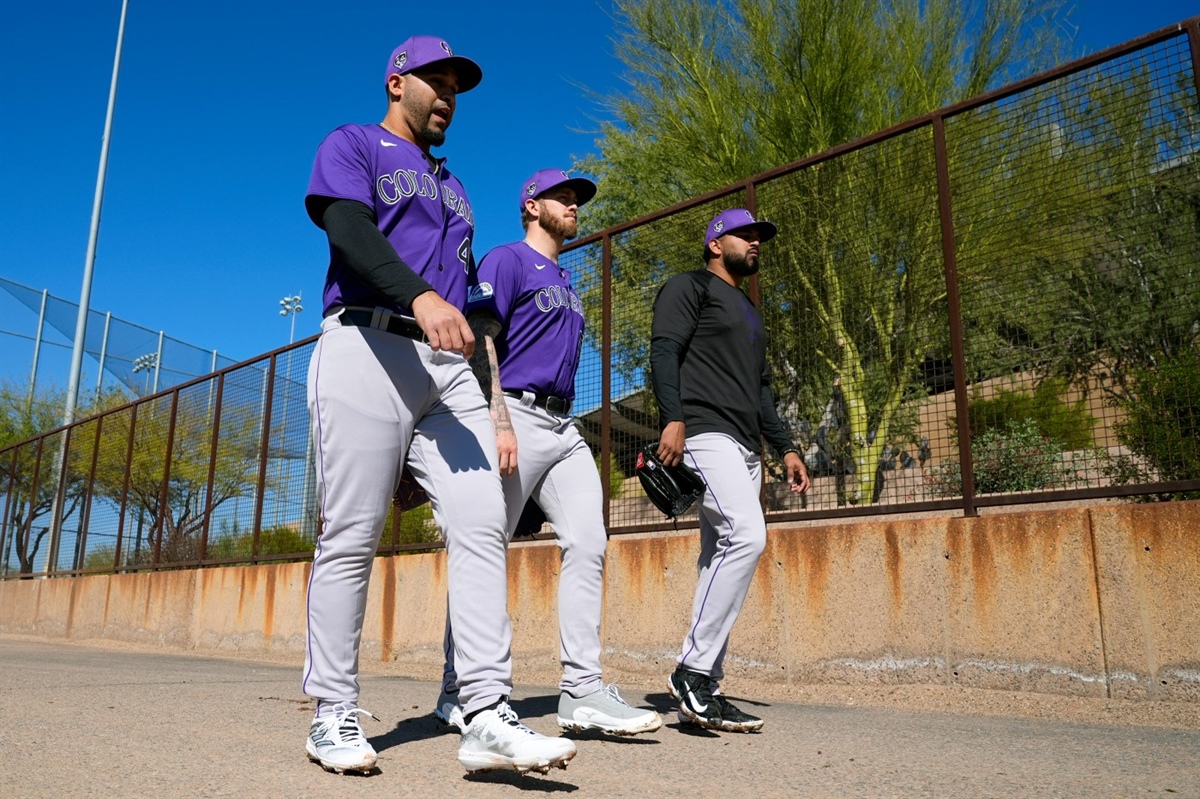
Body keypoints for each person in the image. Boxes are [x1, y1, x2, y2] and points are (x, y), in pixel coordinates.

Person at [301, 36, 576, 775]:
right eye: (437, 79)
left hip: (449, 370)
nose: (449, 94)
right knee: (352, 535)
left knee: (484, 524)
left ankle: (485, 709)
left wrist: (496, 406)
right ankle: (331, 712)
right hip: (367, 343)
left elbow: (476, 313)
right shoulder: (354, 142)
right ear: (398, 82)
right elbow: (348, 231)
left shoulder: (455, 191)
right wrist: (418, 295)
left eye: (458, 84)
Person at [434, 169, 662, 737]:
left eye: (578, 198)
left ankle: (582, 690)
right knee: (485, 549)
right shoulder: (507, 260)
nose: (574, 204)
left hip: (562, 427)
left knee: (590, 541)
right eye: (563, 196)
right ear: (531, 206)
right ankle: (456, 690)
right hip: (511, 411)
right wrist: (497, 417)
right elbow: (481, 338)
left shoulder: (565, 278)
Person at [650, 208, 811, 732]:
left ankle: (706, 689)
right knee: (747, 536)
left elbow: (760, 387)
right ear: (716, 243)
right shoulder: (688, 287)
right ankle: (692, 672)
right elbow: (665, 349)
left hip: (744, 446)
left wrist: (784, 447)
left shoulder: (749, 311)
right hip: (703, 431)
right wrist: (672, 417)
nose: (756, 242)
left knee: (718, 555)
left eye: (761, 236)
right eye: (745, 234)